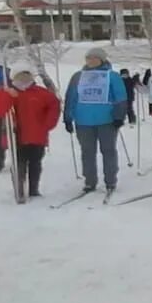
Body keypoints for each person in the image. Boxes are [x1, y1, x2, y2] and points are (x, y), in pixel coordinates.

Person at [0, 69, 60, 198]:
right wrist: (5, 95)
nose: (23, 80)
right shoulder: (9, 92)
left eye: (26, 77)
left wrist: (48, 124)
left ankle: (34, 189)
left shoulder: (41, 93)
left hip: (37, 134)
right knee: (19, 163)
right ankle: (19, 189)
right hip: (16, 135)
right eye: (20, 77)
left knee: (35, 162)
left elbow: (54, 106)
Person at [63, 48, 129, 195]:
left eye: (95, 58)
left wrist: (119, 116)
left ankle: (110, 180)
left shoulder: (112, 76)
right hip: (83, 120)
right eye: (88, 58)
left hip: (106, 120)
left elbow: (120, 97)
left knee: (108, 151)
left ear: (102, 60)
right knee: (87, 152)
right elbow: (71, 97)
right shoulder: (78, 76)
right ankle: (90, 181)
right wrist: (68, 117)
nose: (91, 61)